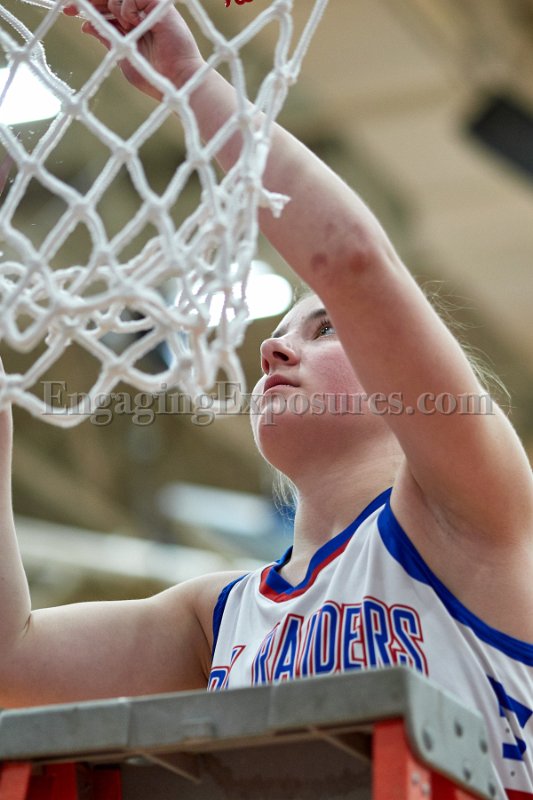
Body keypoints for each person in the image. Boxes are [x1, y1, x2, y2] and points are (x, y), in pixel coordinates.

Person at [0, 0, 531, 795]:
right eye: (280, 333)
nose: (274, 348)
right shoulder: (217, 618)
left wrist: (191, 82)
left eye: (325, 329)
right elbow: (11, 659)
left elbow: (352, 263)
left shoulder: (468, 516)